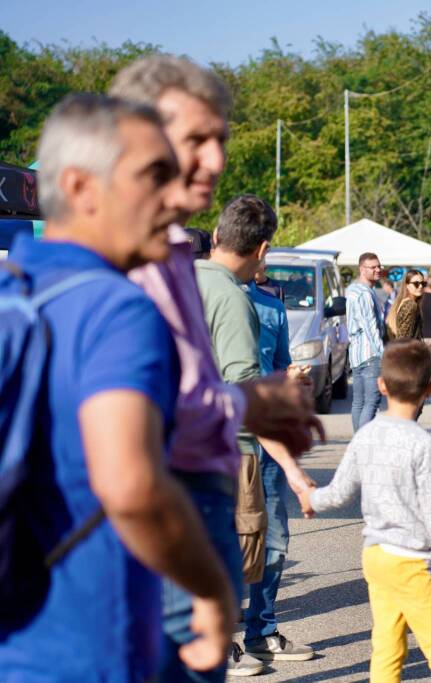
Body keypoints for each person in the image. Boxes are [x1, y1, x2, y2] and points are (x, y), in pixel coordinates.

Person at [0, 94, 235, 681]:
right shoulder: (117, 308)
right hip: (91, 654)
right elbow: (129, 486)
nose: (177, 198)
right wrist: (210, 588)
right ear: (81, 188)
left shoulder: (14, 292)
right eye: (154, 177)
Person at [111, 54, 323, 678]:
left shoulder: (178, 276)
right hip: (224, 457)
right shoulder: (223, 294)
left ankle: (248, 637)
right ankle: (237, 641)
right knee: (241, 553)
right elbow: (235, 387)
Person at [299, 341, 431, 682]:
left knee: (387, 646)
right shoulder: (424, 446)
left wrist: (311, 498)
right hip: (414, 562)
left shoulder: (367, 435)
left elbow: (340, 491)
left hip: (376, 556)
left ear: (381, 385)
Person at [196, 195, 316, 669]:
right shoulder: (227, 297)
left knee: (264, 540)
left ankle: (258, 631)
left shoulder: (180, 285)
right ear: (263, 249)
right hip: (231, 448)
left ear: (219, 235)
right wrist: (294, 468)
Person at [243, 264, 317, 664]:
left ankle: (262, 629)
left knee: (274, 541)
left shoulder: (271, 307)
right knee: (223, 542)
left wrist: (294, 379)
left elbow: (281, 365)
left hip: (268, 442)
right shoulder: (198, 301)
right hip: (224, 443)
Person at [348, 252, 386, 431]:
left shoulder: (353, 290)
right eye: (373, 267)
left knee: (359, 402)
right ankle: (362, 444)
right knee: (371, 402)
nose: (378, 270)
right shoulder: (363, 294)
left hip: (356, 355)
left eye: (379, 266)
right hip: (370, 354)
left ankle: (358, 443)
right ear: (362, 269)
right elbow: (371, 328)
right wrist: (382, 354)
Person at [386, 269, 426, 341]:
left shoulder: (403, 302)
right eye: (416, 284)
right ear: (407, 285)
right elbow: (404, 338)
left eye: (423, 283)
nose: (420, 286)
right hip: (408, 350)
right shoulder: (410, 305)